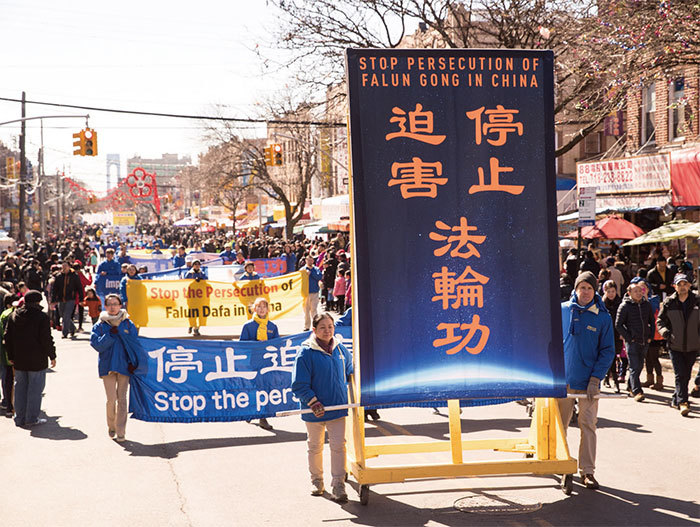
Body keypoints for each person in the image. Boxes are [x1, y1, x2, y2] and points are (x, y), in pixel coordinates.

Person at [558, 271, 615, 492]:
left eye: (589, 288)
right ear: (575, 289)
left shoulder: (602, 317)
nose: (585, 292)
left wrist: (595, 379)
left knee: (588, 425)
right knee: (560, 425)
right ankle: (563, 465)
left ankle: (587, 471)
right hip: (563, 381)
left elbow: (608, 350)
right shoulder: (562, 311)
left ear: (595, 291)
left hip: (588, 383)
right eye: (581, 287)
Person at [292, 313, 353, 502]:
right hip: (314, 410)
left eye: (330, 326)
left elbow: (351, 370)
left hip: (337, 407)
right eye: (323, 327)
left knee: (338, 446)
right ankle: (317, 480)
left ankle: (338, 484)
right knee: (315, 446)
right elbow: (299, 384)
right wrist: (313, 402)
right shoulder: (305, 353)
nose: (327, 331)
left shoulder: (341, 349)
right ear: (314, 330)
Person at [90, 293, 142, 441]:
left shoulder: (128, 323)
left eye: (115, 304)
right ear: (105, 306)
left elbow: (135, 345)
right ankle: (111, 425)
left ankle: (121, 430)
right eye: (110, 304)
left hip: (125, 366)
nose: (113, 307)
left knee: (122, 399)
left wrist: (134, 363)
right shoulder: (100, 325)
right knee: (111, 399)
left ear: (120, 305)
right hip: (108, 367)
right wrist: (110, 336)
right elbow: (97, 345)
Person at [3, 290, 56, 427]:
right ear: (38, 301)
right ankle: (31, 418)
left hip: (19, 359)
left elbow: (7, 338)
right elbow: (46, 339)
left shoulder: (14, 316)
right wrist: (52, 355)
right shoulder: (41, 317)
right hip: (37, 360)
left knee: (20, 389)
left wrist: (11, 356)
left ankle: (19, 418)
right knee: (35, 390)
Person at [657, 274, 699, 417]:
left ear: (689, 285)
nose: (682, 287)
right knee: (680, 374)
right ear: (675, 286)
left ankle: (677, 397)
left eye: (685, 284)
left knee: (686, 375)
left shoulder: (696, 301)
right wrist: (666, 333)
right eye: (679, 284)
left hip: (693, 345)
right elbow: (660, 321)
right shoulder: (669, 302)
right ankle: (683, 402)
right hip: (675, 345)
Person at [239, 297, 279, 431]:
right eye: (259, 307)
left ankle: (263, 417)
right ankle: (252, 411)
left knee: (266, 389)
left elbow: (277, 345)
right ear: (254, 309)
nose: (262, 309)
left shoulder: (272, 327)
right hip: (254, 362)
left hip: (268, 364)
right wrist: (256, 344)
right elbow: (242, 345)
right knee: (255, 388)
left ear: (268, 309)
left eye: (264, 307)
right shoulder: (248, 326)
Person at [615, 279, 654, 402]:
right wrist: (628, 337)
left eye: (640, 291)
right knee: (634, 366)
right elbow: (618, 324)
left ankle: (630, 386)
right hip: (632, 341)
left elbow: (652, 322)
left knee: (639, 366)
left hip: (644, 340)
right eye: (635, 291)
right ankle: (637, 391)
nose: (638, 293)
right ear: (629, 293)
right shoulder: (625, 306)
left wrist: (650, 336)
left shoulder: (646, 305)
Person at [51, 261, 85, 339]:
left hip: (71, 299)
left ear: (69, 267)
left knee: (67, 315)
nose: (64, 268)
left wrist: (81, 299)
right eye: (63, 266)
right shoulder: (59, 276)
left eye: (66, 266)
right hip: (61, 299)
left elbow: (79, 288)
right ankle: (72, 328)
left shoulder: (74, 276)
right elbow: (55, 289)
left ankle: (65, 333)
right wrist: (53, 299)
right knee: (62, 314)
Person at [601, 280, 623, 392]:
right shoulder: (601, 304)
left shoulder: (620, 302)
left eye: (613, 291)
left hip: (616, 333)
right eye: (608, 291)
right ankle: (613, 380)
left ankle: (610, 377)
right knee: (608, 356)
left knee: (614, 356)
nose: (611, 294)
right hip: (605, 334)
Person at [184, 260, 206, 336]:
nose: (197, 265)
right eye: (195, 264)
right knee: (192, 313)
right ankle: (191, 325)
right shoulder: (189, 274)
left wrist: (201, 281)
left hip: (200, 297)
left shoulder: (202, 273)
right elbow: (185, 283)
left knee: (200, 313)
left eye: (198, 264)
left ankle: (196, 329)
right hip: (191, 297)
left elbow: (206, 282)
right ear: (193, 265)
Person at [301, 256, 323, 331]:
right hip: (305, 293)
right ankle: (307, 326)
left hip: (314, 292)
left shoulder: (316, 269)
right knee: (306, 310)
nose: (310, 262)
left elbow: (319, 277)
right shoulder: (302, 269)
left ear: (313, 261)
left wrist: (311, 274)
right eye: (308, 260)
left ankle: (315, 325)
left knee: (314, 309)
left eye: (311, 260)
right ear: (306, 261)